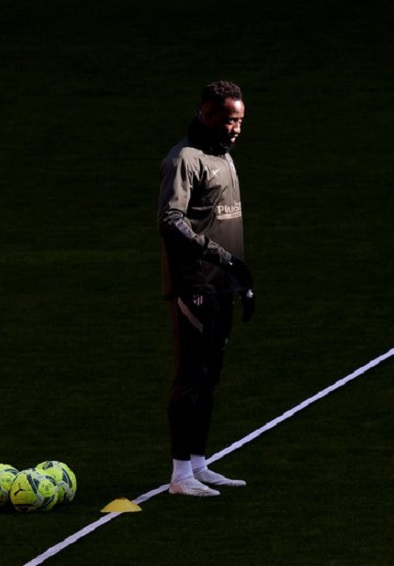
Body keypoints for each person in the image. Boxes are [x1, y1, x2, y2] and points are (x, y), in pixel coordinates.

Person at [157, 80, 255, 497]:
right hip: (194, 283)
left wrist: (241, 281)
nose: (236, 128)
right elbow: (170, 220)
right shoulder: (185, 159)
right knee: (191, 376)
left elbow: (225, 223)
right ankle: (180, 475)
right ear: (207, 113)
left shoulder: (224, 158)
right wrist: (218, 258)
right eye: (230, 119)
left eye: (240, 121)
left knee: (211, 377)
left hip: (222, 287)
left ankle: (199, 463)